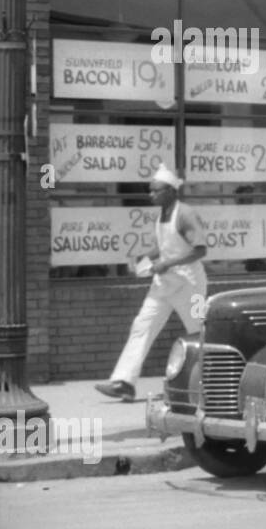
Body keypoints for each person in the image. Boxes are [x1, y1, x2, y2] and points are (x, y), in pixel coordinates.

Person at [96, 166, 208, 402]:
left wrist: (167, 263)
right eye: (150, 191)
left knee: (200, 330)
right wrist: (144, 257)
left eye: (155, 190)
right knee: (141, 326)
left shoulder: (186, 214)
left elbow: (200, 250)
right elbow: (165, 247)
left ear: (170, 191)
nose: (151, 195)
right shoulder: (161, 217)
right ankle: (124, 382)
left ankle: (211, 379)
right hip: (163, 285)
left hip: (192, 285)